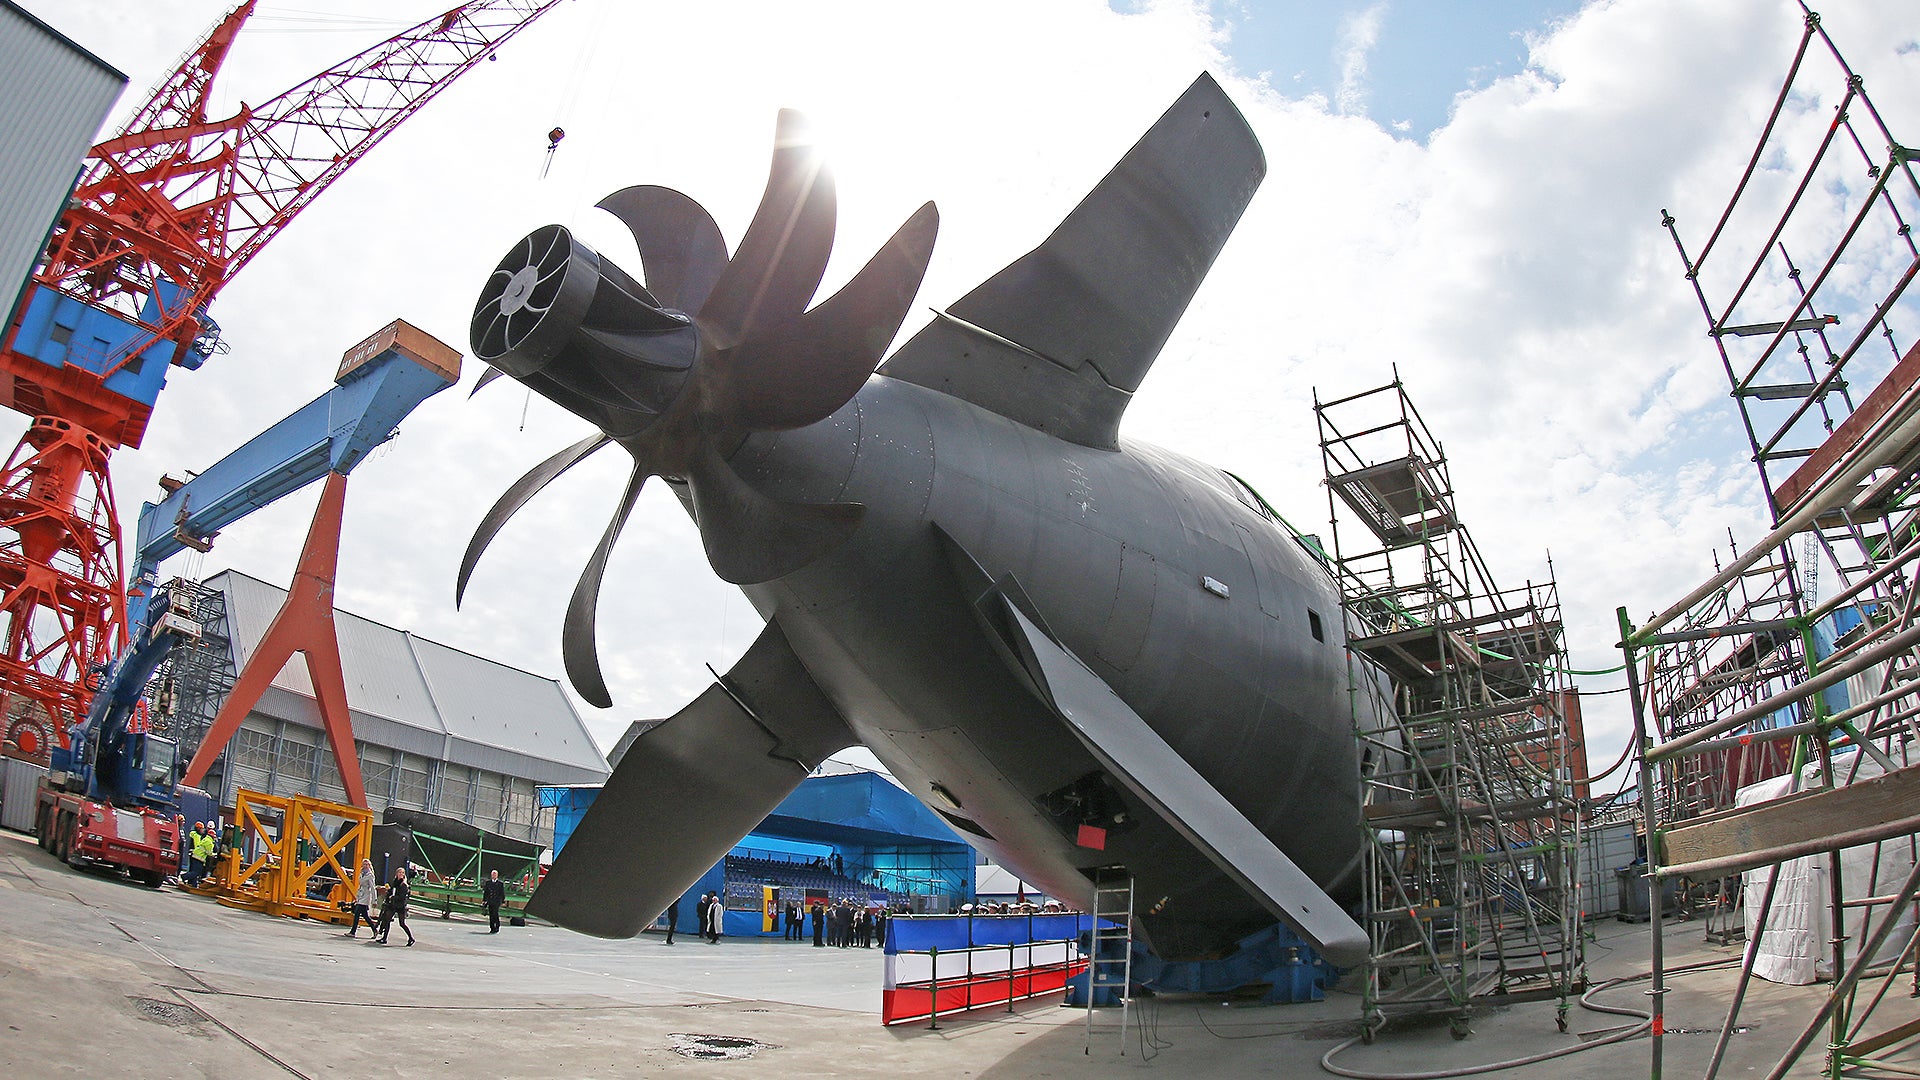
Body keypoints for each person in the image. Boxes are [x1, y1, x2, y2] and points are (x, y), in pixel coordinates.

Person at [377, 866, 415, 946]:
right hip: (393, 905)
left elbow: (402, 897)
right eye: (399, 872)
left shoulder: (404, 885)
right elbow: (392, 891)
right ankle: (384, 938)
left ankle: (411, 938)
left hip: (400, 906)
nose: (401, 874)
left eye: (402, 873)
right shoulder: (395, 882)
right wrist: (388, 893)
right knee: (387, 920)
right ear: (396, 874)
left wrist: (393, 897)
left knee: (402, 923)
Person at [344, 859, 375, 937]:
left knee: (357, 913)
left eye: (367, 864)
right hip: (361, 895)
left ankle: (353, 932)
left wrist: (374, 900)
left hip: (366, 896)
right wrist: (357, 897)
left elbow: (372, 888)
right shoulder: (361, 873)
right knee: (365, 916)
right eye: (364, 864)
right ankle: (375, 929)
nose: (365, 866)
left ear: (369, 866)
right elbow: (360, 886)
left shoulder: (370, 875)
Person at [482, 869, 506, 933]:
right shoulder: (488, 883)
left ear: (497, 875)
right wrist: (484, 900)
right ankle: (492, 927)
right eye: (493, 874)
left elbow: (502, 893)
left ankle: (497, 926)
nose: (494, 875)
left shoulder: (500, 884)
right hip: (490, 901)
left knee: (495, 914)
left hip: (496, 901)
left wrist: (503, 901)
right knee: (491, 914)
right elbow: (486, 892)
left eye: (495, 874)